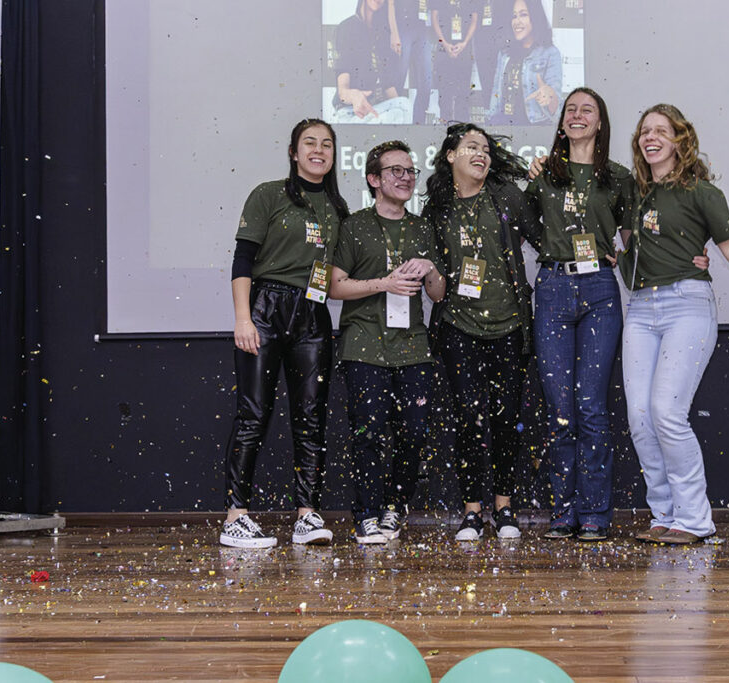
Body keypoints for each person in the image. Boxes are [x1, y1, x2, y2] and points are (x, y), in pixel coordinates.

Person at [621, 104, 729, 545]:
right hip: (641, 309)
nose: (651, 137)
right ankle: (663, 514)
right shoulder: (635, 194)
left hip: (687, 305)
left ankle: (695, 520)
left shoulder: (702, 192)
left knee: (667, 412)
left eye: (661, 130)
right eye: (645, 131)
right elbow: (631, 252)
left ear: (680, 140)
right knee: (641, 418)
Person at [220, 119, 350, 549]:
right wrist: (244, 318)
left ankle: (307, 515)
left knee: (311, 417)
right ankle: (236, 515)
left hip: (313, 315)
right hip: (265, 308)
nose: (318, 150)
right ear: (294, 152)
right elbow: (242, 260)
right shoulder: (268, 194)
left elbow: (334, 277)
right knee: (253, 413)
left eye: (327, 144)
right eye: (309, 143)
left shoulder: (337, 207)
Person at [524, 87, 632, 542]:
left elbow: (631, 239)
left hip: (600, 292)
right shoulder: (545, 173)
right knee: (559, 409)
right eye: (570, 110)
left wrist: (617, 256)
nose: (577, 115)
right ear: (562, 121)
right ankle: (562, 512)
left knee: (590, 405)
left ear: (600, 122)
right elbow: (527, 226)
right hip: (552, 288)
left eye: (587, 110)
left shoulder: (619, 177)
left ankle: (595, 514)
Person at [421, 123, 534, 541]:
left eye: (486, 148)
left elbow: (544, 239)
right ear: (451, 156)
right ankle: (471, 510)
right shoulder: (437, 209)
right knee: (469, 418)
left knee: (506, 419)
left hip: (509, 326)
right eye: (471, 147)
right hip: (458, 327)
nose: (481, 154)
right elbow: (436, 291)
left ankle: (504, 507)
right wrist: (426, 271)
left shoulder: (507, 197)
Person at [329, 140, 446, 544]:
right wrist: (385, 283)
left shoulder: (421, 227)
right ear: (374, 180)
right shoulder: (354, 225)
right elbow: (335, 286)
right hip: (364, 345)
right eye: (396, 171)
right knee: (370, 433)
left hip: (412, 346)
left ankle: (395, 508)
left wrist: (430, 267)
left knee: (413, 433)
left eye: (411, 171)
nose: (406, 178)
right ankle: (367, 514)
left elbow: (438, 294)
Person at [333, 0, 412, 124]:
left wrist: (400, 108)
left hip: (374, 111)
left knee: (404, 104)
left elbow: (388, 85)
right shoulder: (347, 27)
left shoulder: (382, 34)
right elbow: (343, 92)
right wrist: (355, 96)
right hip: (349, 112)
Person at [487, 0, 562, 126]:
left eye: (523, 15)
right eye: (514, 16)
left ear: (535, 17)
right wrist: (490, 123)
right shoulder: (504, 53)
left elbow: (556, 107)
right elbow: (495, 96)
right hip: (505, 127)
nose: (517, 21)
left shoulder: (550, 53)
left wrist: (549, 96)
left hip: (535, 128)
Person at [387, 0, 435, 124]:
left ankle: (418, 123)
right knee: (398, 79)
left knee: (426, 81)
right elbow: (390, 4)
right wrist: (394, 32)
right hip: (402, 26)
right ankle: (394, 122)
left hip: (422, 27)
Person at [430, 0, 479, 122]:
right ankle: (445, 131)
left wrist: (464, 43)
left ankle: (461, 131)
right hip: (443, 49)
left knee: (463, 93)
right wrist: (445, 44)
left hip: (464, 48)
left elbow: (474, 19)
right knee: (444, 94)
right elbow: (434, 18)